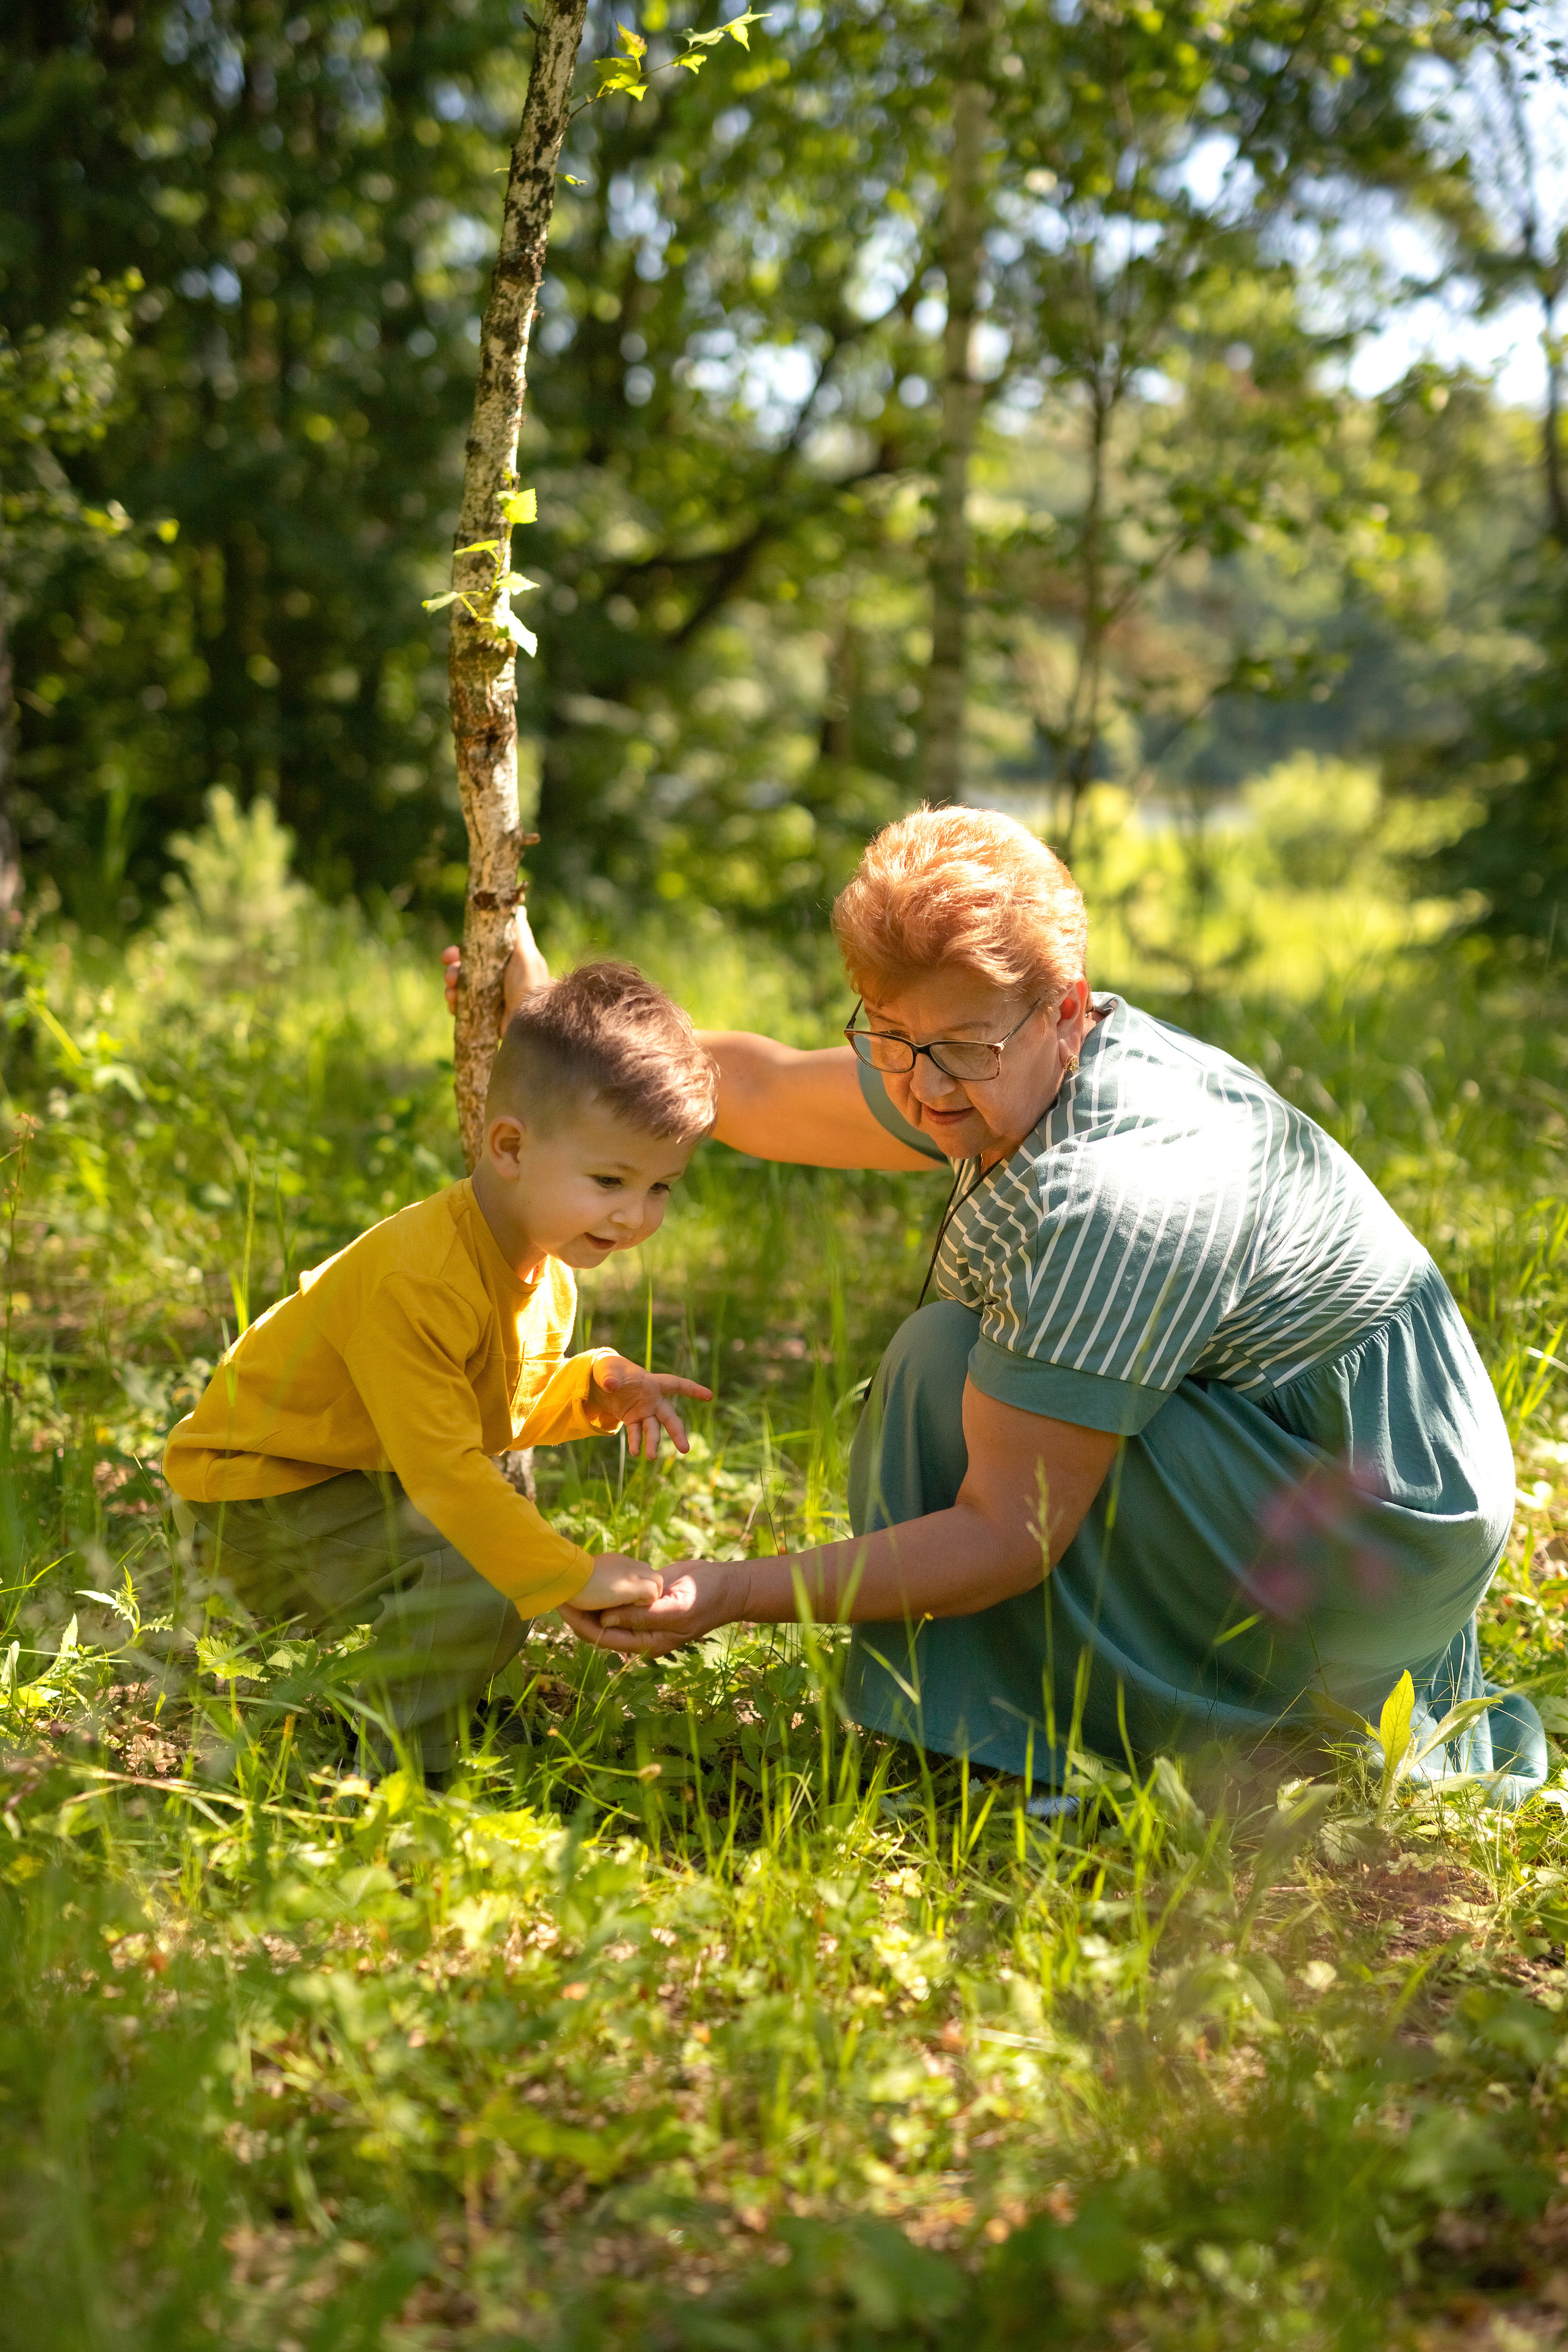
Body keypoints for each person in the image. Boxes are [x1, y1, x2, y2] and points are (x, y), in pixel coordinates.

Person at [446, 812, 1545, 1803]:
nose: (920, 1088)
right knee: (961, 1362)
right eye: (885, 1031)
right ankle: (1026, 1705)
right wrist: (557, 1023)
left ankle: (1108, 1745)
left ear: (1067, 1012)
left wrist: (724, 1590)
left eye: (960, 1048)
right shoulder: (986, 1052)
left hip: (1375, 1535)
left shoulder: (1111, 1196)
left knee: (943, 1366)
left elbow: (1009, 1535)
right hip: (1305, 1458)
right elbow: (771, 1089)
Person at [165, 962, 713, 1774]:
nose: (637, 1216)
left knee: (504, 1502)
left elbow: (494, 1413)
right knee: (489, 1560)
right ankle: (390, 1757)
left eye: (660, 1186)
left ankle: (440, 1691)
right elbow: (446, 1475)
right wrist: (570, 1574)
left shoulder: (544, 1265)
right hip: (252, 1505)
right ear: (511, 1147)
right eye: (610, 1181)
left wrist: (592, 1392)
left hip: (343, 1470)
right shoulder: (420, 1277)